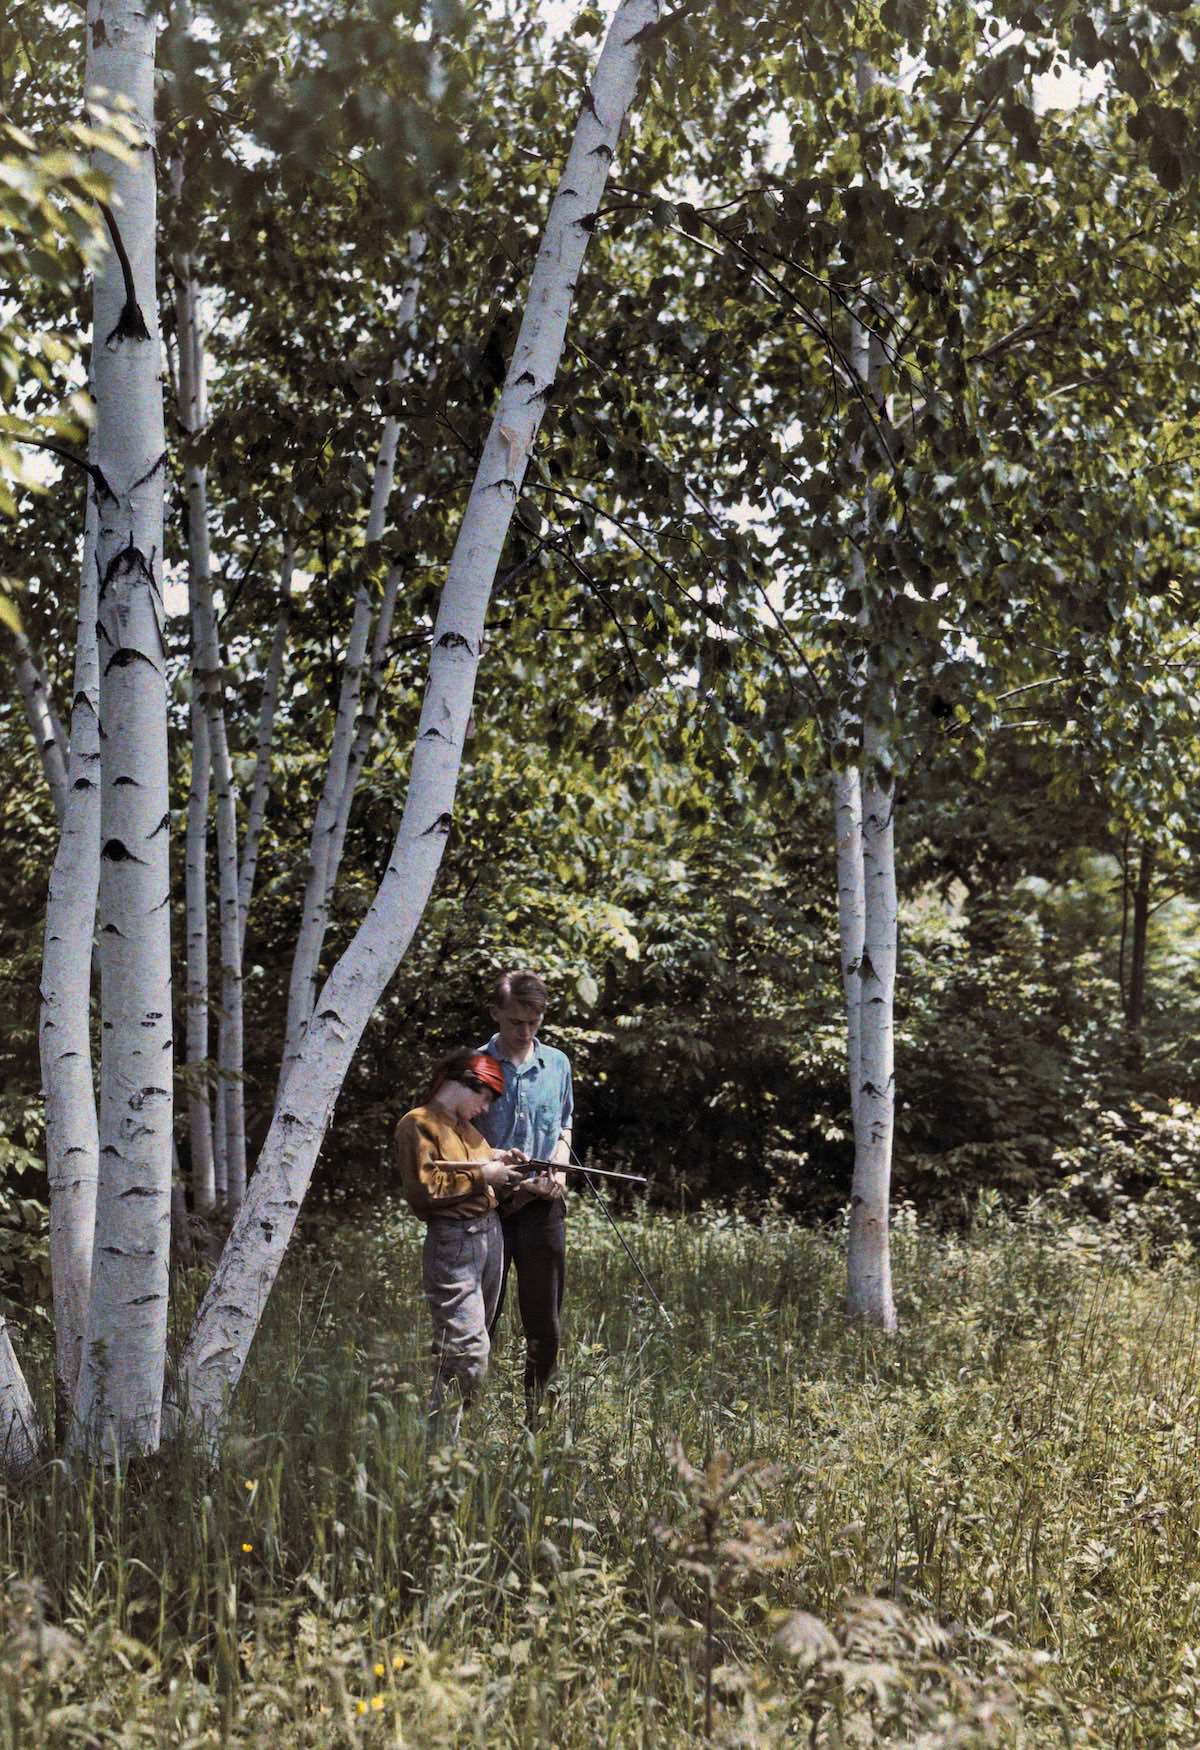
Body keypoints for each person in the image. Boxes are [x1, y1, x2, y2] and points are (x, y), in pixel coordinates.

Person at [392, 1048, 527, 1443]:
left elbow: (483, 1168)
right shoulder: (417, 1124)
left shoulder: (466, 1129)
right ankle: (440, 1446)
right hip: (454, 1242)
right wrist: (484, 1176)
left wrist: (507, 1168)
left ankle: (448, 1444)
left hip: (489, 1237)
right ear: (465, 1083)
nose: (484, 1109)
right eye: (483, 1097)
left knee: (466, 1350)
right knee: (468, 1354)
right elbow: (425, 1191)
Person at [475, 969, 574, 1422]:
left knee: (544, 1321)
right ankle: (465, 1416)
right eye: (516, 1021)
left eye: (534, 1022)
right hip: (486, 1209)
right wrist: (497, 1170)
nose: (525, 1031)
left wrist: (559, 1166)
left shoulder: (557, 1063)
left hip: (543, 1209)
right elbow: (451, 1135)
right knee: (479, 1319)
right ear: (496, 1013)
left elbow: (565, 1125)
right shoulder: (472, 1067)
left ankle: (538, 1419)